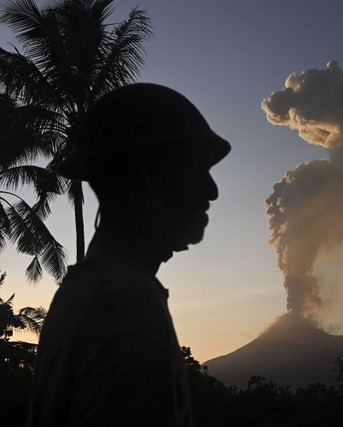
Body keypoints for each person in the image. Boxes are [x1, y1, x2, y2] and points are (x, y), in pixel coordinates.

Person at [28, 83, 230, 426]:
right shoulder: (124, 303)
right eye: (196, 168)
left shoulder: (80, 292)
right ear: (140, 177)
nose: (212, 190)